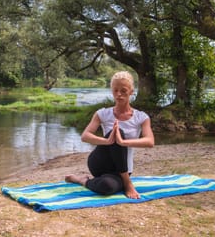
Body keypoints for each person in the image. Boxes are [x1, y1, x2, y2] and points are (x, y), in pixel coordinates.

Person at [65, 71, 155, 199]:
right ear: (112, 91)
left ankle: (81, 180)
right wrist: (107, 141)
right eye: (115, 90)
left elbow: (150, 141)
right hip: (99, 163)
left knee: (107, 187)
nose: (119, 94)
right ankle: (127, 183)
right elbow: (85, 136)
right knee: (118, 132)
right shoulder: (102, 113)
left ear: (131, 91)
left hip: (122, 169)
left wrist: (123, 142)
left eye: (123, 90)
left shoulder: (141, 117)